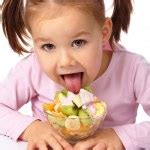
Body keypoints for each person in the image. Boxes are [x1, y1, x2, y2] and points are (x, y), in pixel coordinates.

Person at [0, 0, 150, 149]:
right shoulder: (32, 68)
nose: (65, 62)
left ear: (104, 33)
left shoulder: (133, 69)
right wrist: (32, 128)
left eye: (78, 42)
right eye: (48, 46)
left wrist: (120, 136)